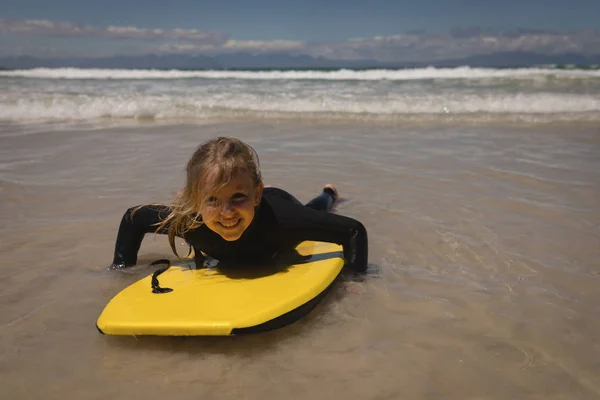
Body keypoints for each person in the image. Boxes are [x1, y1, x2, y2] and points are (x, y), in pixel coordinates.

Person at [110, 136, 368, 273]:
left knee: (316, 209)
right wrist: (121, 267)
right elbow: (132, 218)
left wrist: (355, 280)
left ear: (256, 195)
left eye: (237, 198)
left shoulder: (286, 221)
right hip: (255, 200)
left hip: (276, 203)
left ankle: (329, 192)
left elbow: (353, 230)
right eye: (212, 199)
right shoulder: (188, 221)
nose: (227, 213)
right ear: (195, 200)